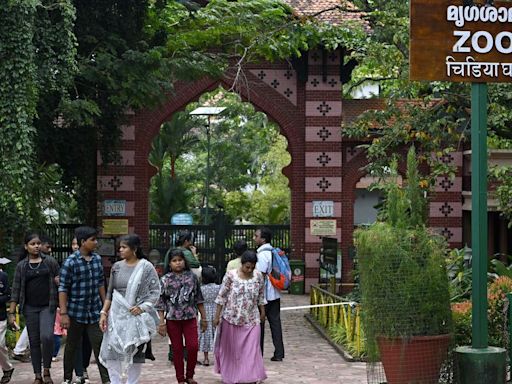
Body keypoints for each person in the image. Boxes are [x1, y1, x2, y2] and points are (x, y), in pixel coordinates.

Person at [99, 234, 160, 384]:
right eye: (120, 247)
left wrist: (142, 307)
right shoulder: (117, 267)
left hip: (136, 318)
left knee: (136, 353)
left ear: (134, 249)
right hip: (116, 316)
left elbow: (155, 291)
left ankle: (132, 382)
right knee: (111, 351)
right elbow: (110, 292)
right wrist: (103, 313)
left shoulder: (146, 267)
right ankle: (115, 382)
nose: (120, 250)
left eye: (124, 247)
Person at [58, 226, 110, 384]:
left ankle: (106, 380)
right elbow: (63, 288)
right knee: (71, 346)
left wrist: (104, 308)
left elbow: (101, 283)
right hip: (75, 312)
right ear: (83, 242)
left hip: (94, 312)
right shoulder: (70, 262)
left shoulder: (97, 259)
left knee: (100, 346)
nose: (96, 243)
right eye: (93, 240)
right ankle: (67, 378)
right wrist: (64, 314)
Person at [9, 233, 60, 384]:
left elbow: (60, 281)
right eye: (32, 244)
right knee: (34, 341)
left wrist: (59, 283)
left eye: (38, 243)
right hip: (30, 308)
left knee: (47, 336)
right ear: (26, 247)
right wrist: (12, 313)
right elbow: (16, 290)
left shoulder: (49, 262)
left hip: (48, 306)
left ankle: (47, 370)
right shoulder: (22, 266)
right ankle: (38, 375)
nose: (36, 246)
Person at [213, 250, 267, 384]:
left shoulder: (258, 276)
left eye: (252, 267)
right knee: (233, 350)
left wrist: (262, 312)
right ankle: (232, 374)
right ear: (241, 264)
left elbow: (261, 296)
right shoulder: (231, 276)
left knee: (252, 349)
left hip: (252, 318)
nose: (249, 270)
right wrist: (217, 316)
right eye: (247, 267)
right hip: (231, 318)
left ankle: (252, 375)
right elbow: (222, 296)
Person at [157, 249, 207, 384]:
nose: (178, 263)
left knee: (193, 346)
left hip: (190, 317)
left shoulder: (192, 277)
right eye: (174, 261)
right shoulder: (165, 280)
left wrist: (204, 318)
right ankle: (180, 379)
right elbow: (160, 303)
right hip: (172, 319)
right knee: (177, 349)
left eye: (180, 260)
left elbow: (199, 299)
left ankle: (190, 375)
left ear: (184, 261)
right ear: (170, 263)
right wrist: (161, 323)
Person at [254, 227, 285, 362]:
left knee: (260, 323)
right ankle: (279, 352)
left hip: (264, 295)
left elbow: (260, 276)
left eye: (256, 236)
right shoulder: (273, 252)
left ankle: (258, 353)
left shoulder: (261, 255)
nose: (254, 238)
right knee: (275, 323)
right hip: (275, 293)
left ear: (263, 239)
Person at [197, 266, 220, 367]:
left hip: (204, 313)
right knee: (217, 335)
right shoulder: (219, 287)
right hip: (216, 312)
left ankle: (206, 358)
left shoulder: (201, 289)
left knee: (205, 335)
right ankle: (218, 358)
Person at [0, 256, 14, 383]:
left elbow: (7, 295)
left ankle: (7, 368)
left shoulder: (3, 276)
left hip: (0, 316)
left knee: (0, 344)